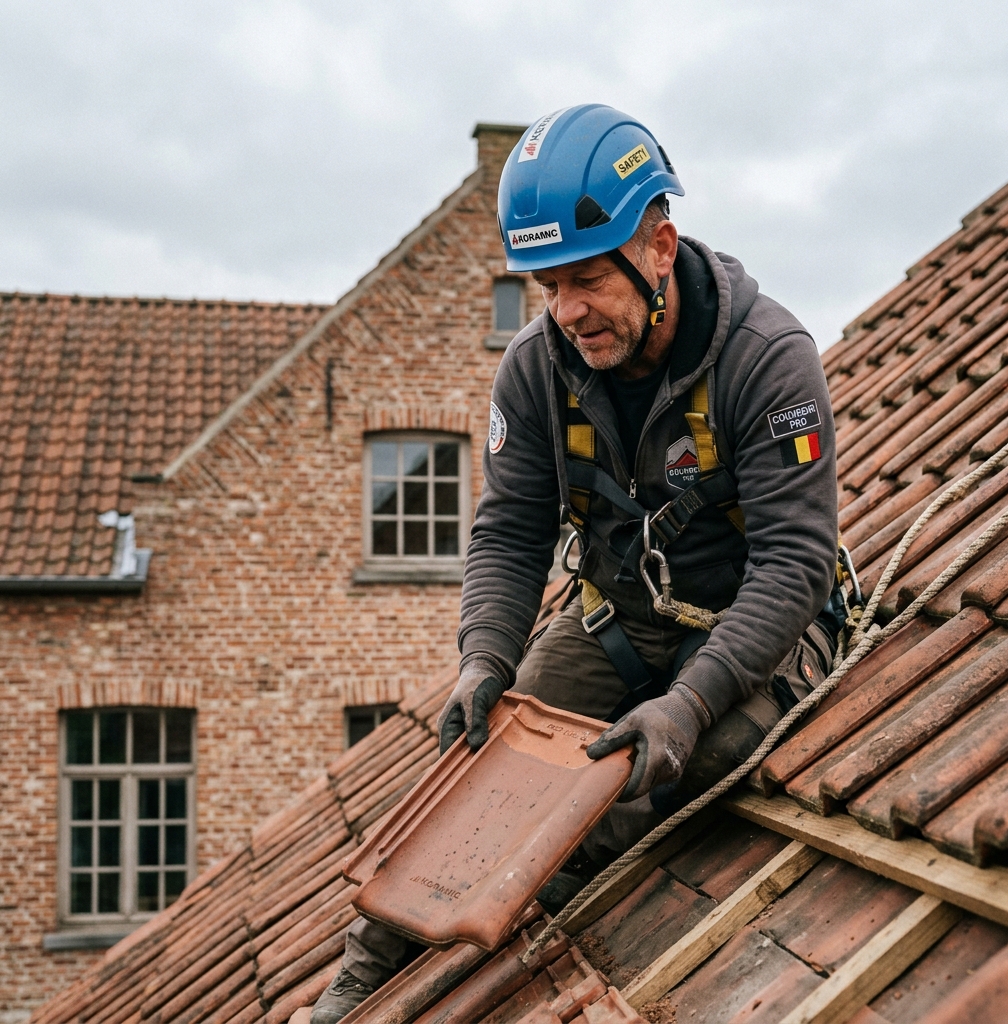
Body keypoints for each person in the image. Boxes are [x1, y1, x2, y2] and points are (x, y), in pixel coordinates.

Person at [311, 103, 842, 1023]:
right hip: (619, 622)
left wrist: (687, 702)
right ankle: (361, 973)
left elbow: (794, 563)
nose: (567, 312)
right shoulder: (536, 367)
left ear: (660, 246)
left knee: (684, 764)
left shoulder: (769, 361)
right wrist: (484, 658)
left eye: (587, 281)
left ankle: (534, 916)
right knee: (484, 767)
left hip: (753, 631)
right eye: (544, 287)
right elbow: (510, 530)